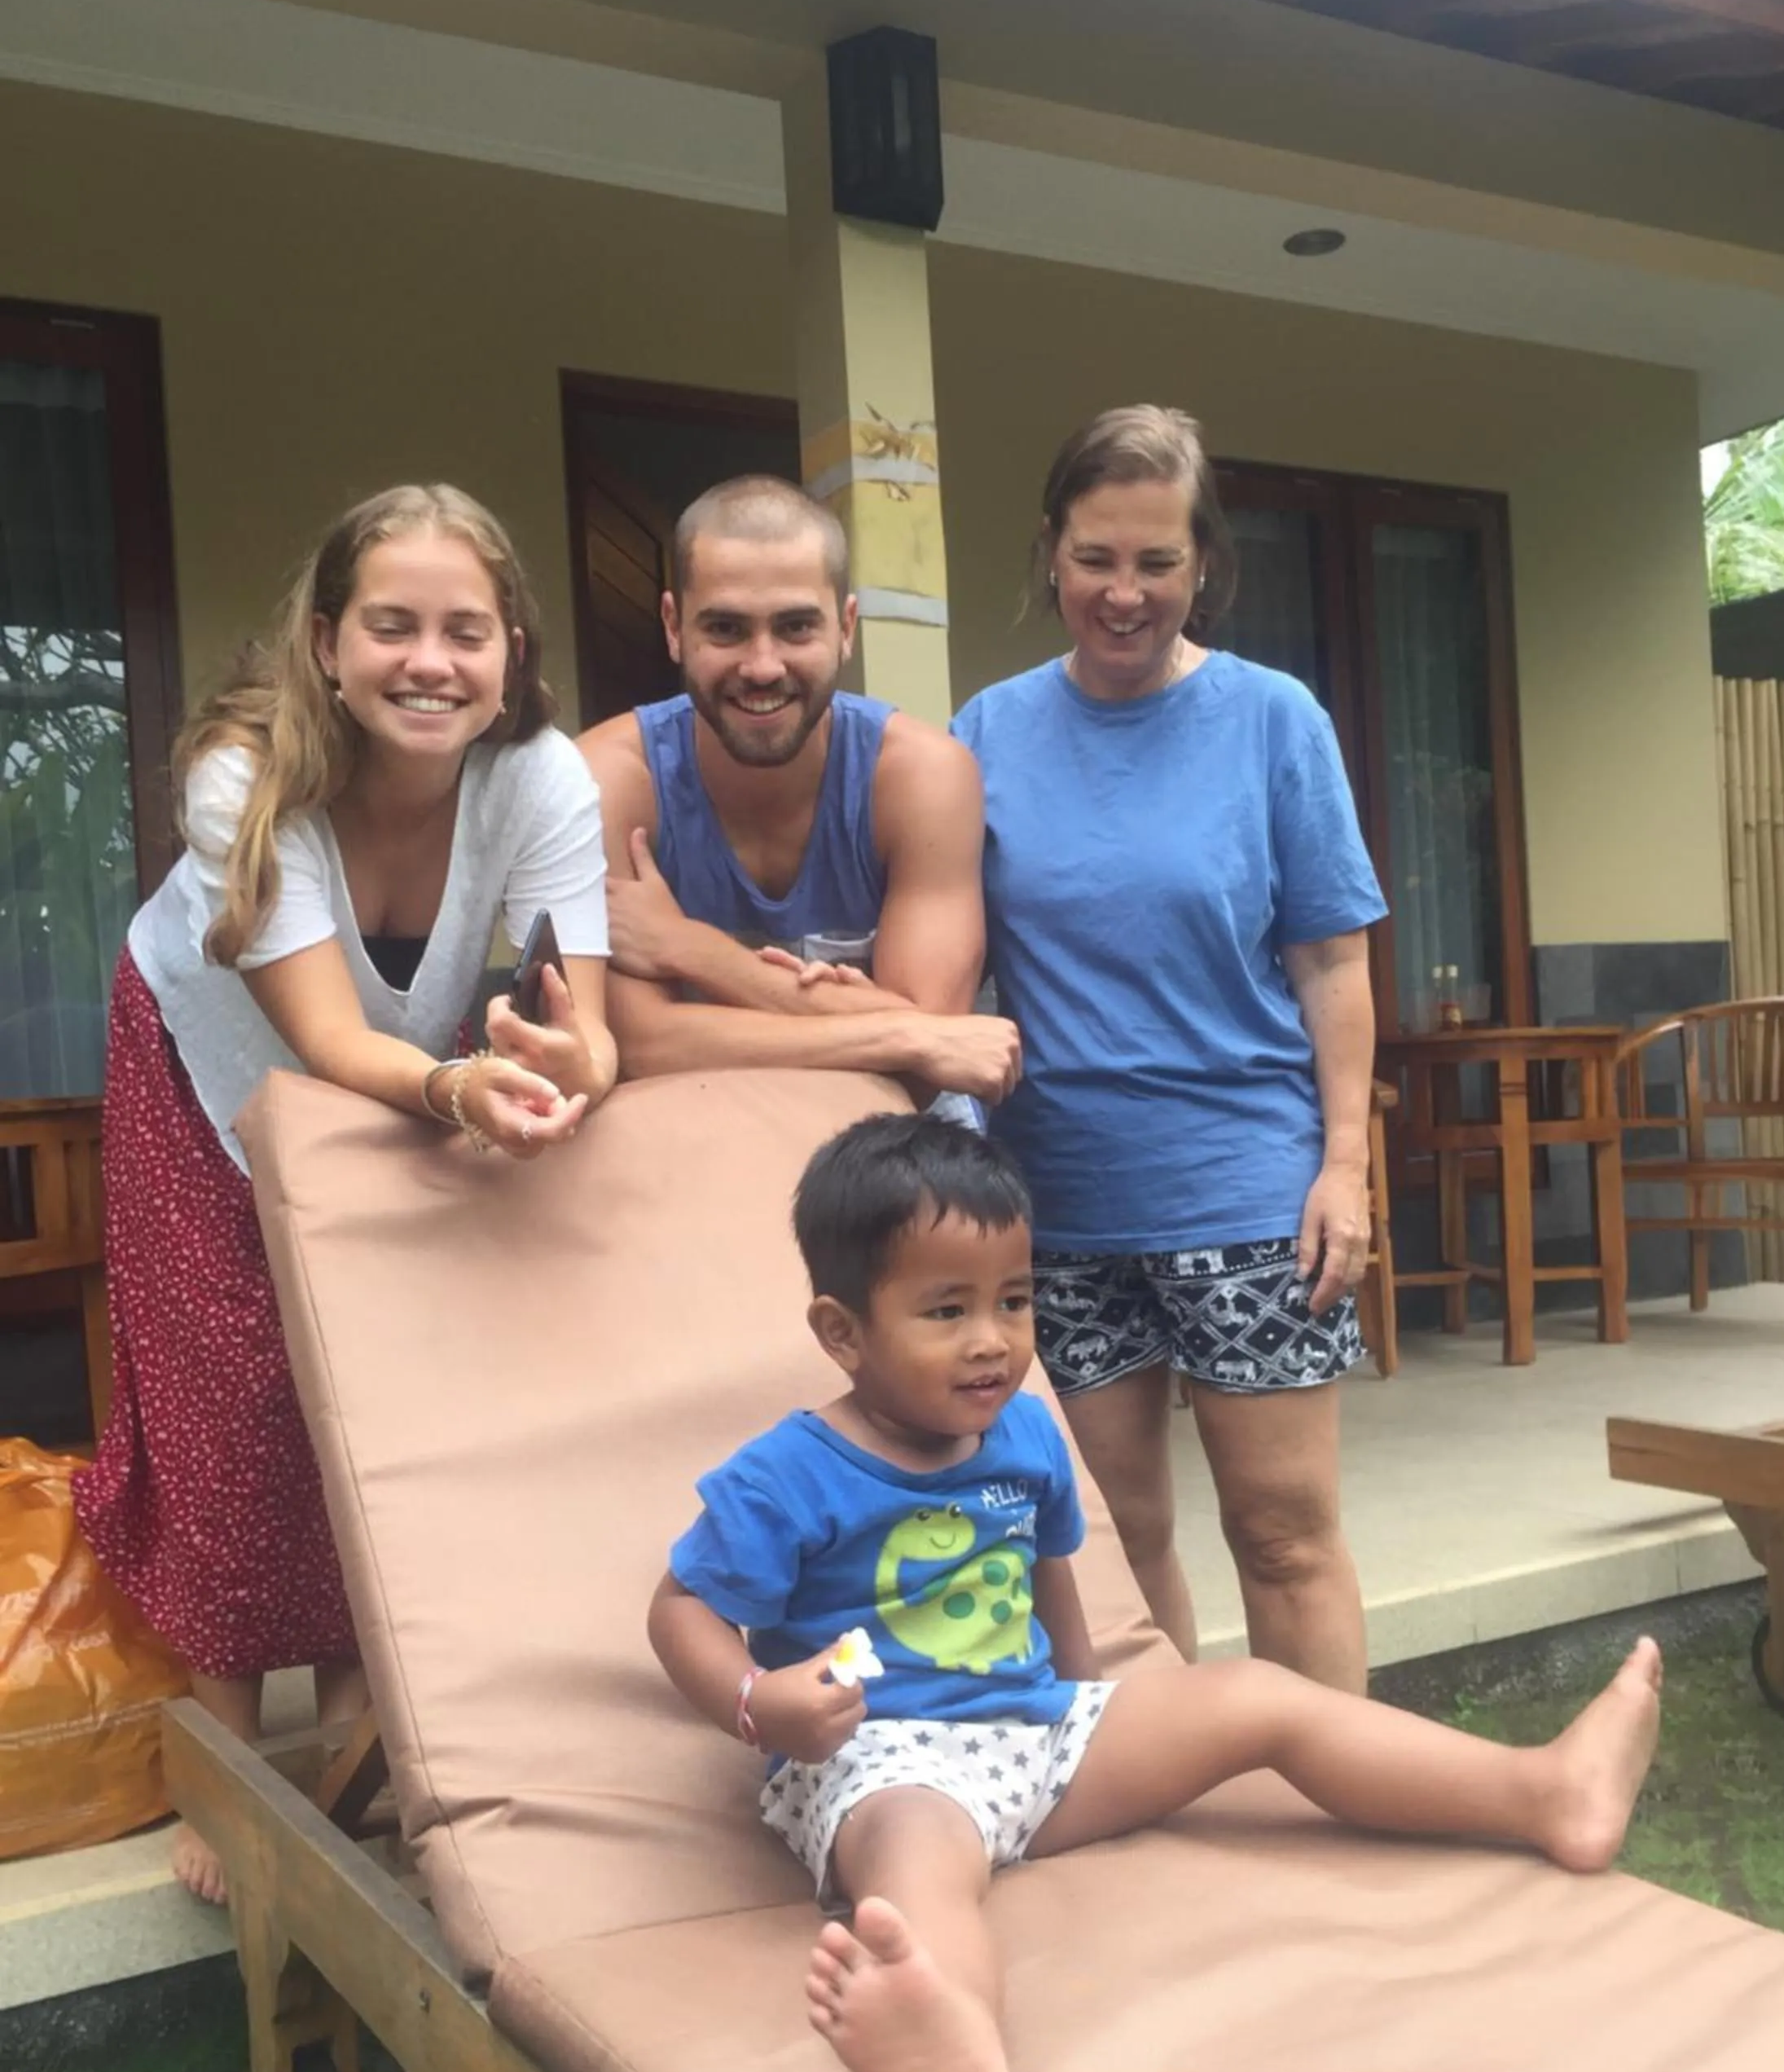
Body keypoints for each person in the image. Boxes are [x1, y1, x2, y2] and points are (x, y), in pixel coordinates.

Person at [649, 1115, 1663, 2072]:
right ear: (843, 1331)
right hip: (884, 1758)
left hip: (1035, 1735)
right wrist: (757, 1704)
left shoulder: (1024, 1430)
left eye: (1014, 1300)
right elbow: (680, 1608)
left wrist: (1091, 1704)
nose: (993, 1339)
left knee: (1260, 1694)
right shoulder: (787, 1475)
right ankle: (960, 2053)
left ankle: (1545, 1793)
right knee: (920, 1864)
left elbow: (1045, 1570)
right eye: (947, 1311)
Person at [76, 484, 617, 1905]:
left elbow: (591, 1024)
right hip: (210, 1061)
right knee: (235, 1388)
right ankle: (228, 1760)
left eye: (465, 632)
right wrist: (461, 1090)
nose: (430, 662)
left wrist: (573, 1064)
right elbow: (321, 1039)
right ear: (326, 641)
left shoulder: (543, 779)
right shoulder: (242, 779)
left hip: (413, 1072)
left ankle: (364, 1729)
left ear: (512, 650)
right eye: (391, 626)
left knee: (384, 1384)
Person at [951, 407, 1386, 1683]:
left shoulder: (1274, 720)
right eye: (1094, 557)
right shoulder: (985, 730)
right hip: (1059, 1213)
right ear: (1049, 552)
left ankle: (1325, 1788)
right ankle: (1177, 1788)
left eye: (1156, 561)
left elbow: (1331, 962)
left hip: (1249, 1198)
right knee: (1113, 1545)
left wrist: (1344, 1164)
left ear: (1204, 565)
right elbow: (947, 951)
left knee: (1283, 1534)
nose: (1122, 592)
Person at [576, 476, 1020, 1111]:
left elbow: (928, 1071)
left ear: (846, 627)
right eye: (725, 628)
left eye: (796, 627)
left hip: (884, 1140)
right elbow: (642, 1046)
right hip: (683, 1131)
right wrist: (898, 1030)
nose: (762, 666)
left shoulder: (920, 776)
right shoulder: (609, 779)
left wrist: (696, 952)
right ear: (673, 627)